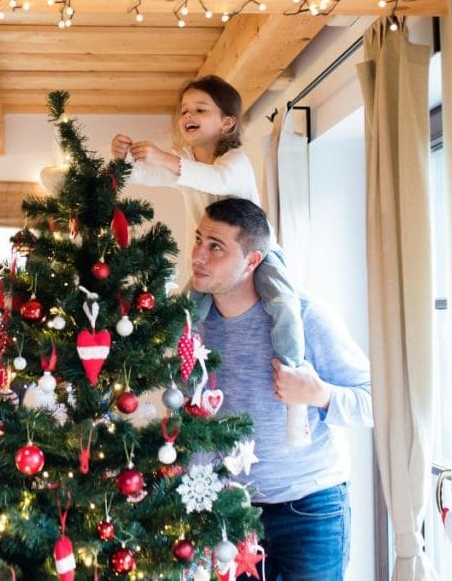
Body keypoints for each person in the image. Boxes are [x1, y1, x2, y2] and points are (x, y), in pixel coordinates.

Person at [111, 75, 311, 446]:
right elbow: (149, 174)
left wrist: (165, 158)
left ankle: (294, 387)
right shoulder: (183, 161)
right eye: (185, 110)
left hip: (258, 254)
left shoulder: (235, 161)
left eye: (201, 109)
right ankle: (187, 399)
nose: (189, 115)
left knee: (285, 306)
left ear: (227, 122)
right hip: (210, 263)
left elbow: (214, 180)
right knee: (183, 318)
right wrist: (123, 158)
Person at [190, 197, 373, 581]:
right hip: (230, 514)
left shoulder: (306, 316)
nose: (198, 256)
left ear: (253, 260)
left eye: (215, 246)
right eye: (198, 240)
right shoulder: (189, 326)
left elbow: (374, 402)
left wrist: (318, 394)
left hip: (309, 509)